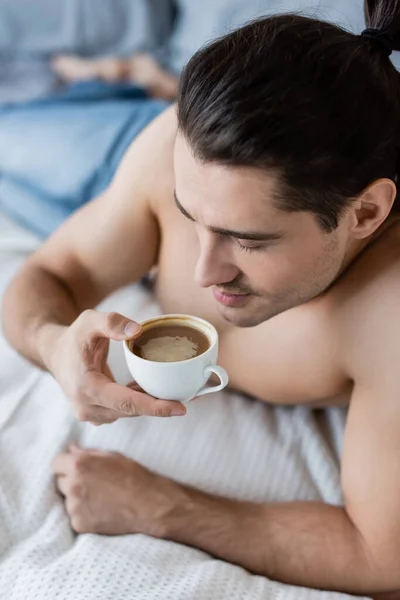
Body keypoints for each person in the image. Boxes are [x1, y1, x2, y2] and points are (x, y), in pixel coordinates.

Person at [3, 0, 400, 596]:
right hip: (120, 158)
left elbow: (381, 558)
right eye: (190, 220)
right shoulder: (172, 150)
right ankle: (138, 74)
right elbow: (58, 271)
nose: (200, 269)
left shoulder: (389, 316)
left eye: (248, 240)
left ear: (365, 213)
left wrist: (163, 508)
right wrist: (53, 342)